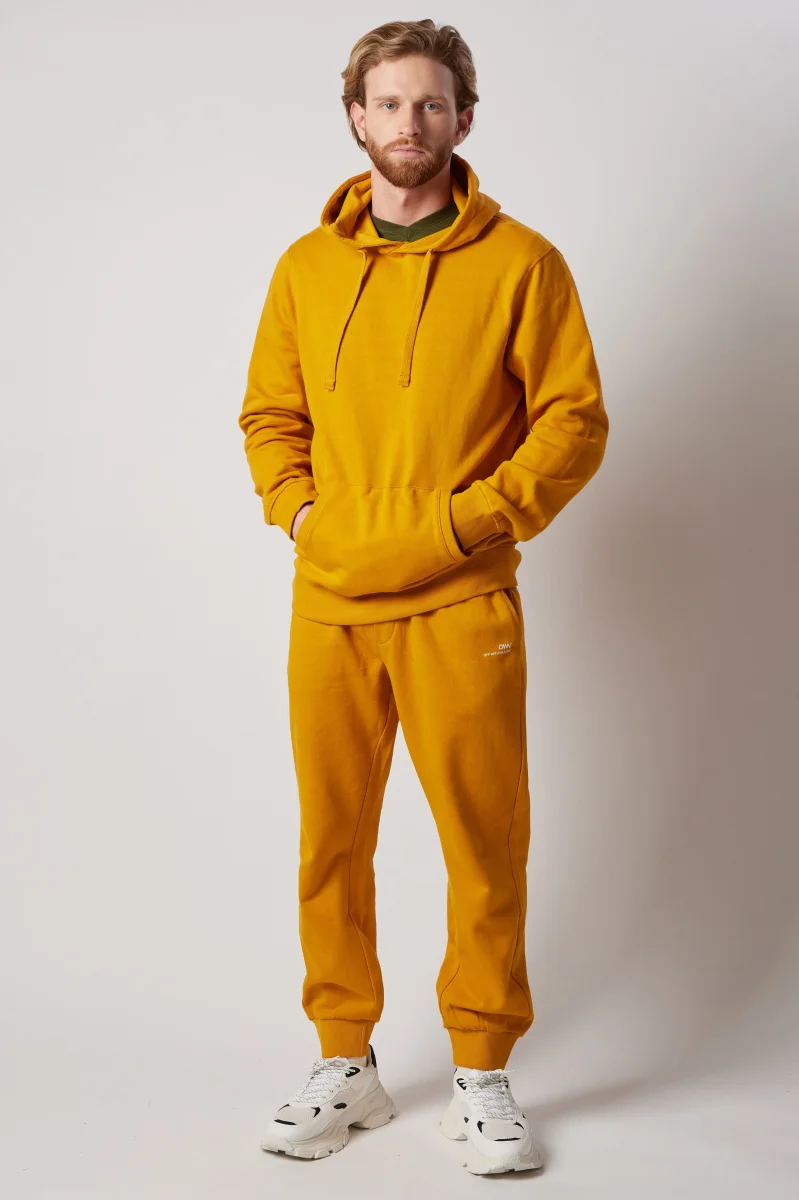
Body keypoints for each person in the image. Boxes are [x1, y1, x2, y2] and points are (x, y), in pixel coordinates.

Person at [238, 18, 608, 1176]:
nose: (410, 123)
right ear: (356, 116)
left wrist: (468, 522)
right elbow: (270, 417)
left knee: (483, 843)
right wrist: (302, 515)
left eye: (431, 104)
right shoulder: (304, 269)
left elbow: (572, 421)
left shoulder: (523, 265)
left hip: (462, 604)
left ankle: (482, 1073)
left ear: (464, 118)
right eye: (390, 103)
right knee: (331, 843)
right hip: (330, 601)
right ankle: (343, 1063)